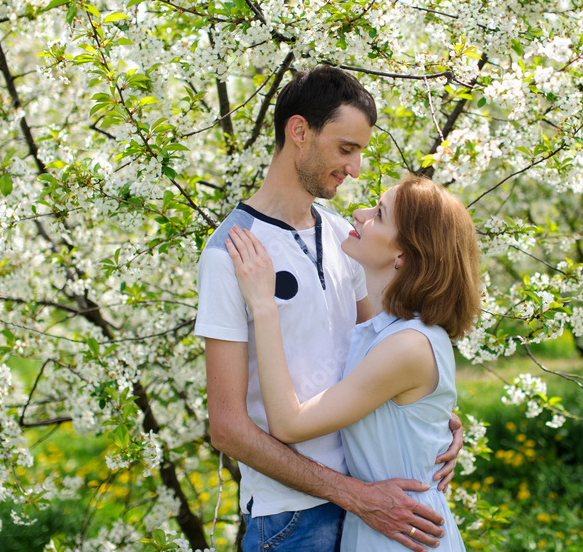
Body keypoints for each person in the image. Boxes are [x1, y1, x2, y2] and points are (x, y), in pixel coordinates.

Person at [195, 66, 462, 552]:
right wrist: (352, 494)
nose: (355, 168)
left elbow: (378, 351)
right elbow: (228, 426)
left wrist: (436, 416)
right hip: (292, 519)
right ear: (299, 132)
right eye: (346, 148)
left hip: (377, 504)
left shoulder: (346, 236)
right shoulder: (229, 253)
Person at [226, 176, 480, 552]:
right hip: (388, 526)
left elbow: (287, 424)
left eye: (378, 214)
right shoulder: (386, 331)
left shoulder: (407, 345)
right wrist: (441, 424)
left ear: (404, 256)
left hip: (400, 533)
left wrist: (264, 305)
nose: (358, 215)